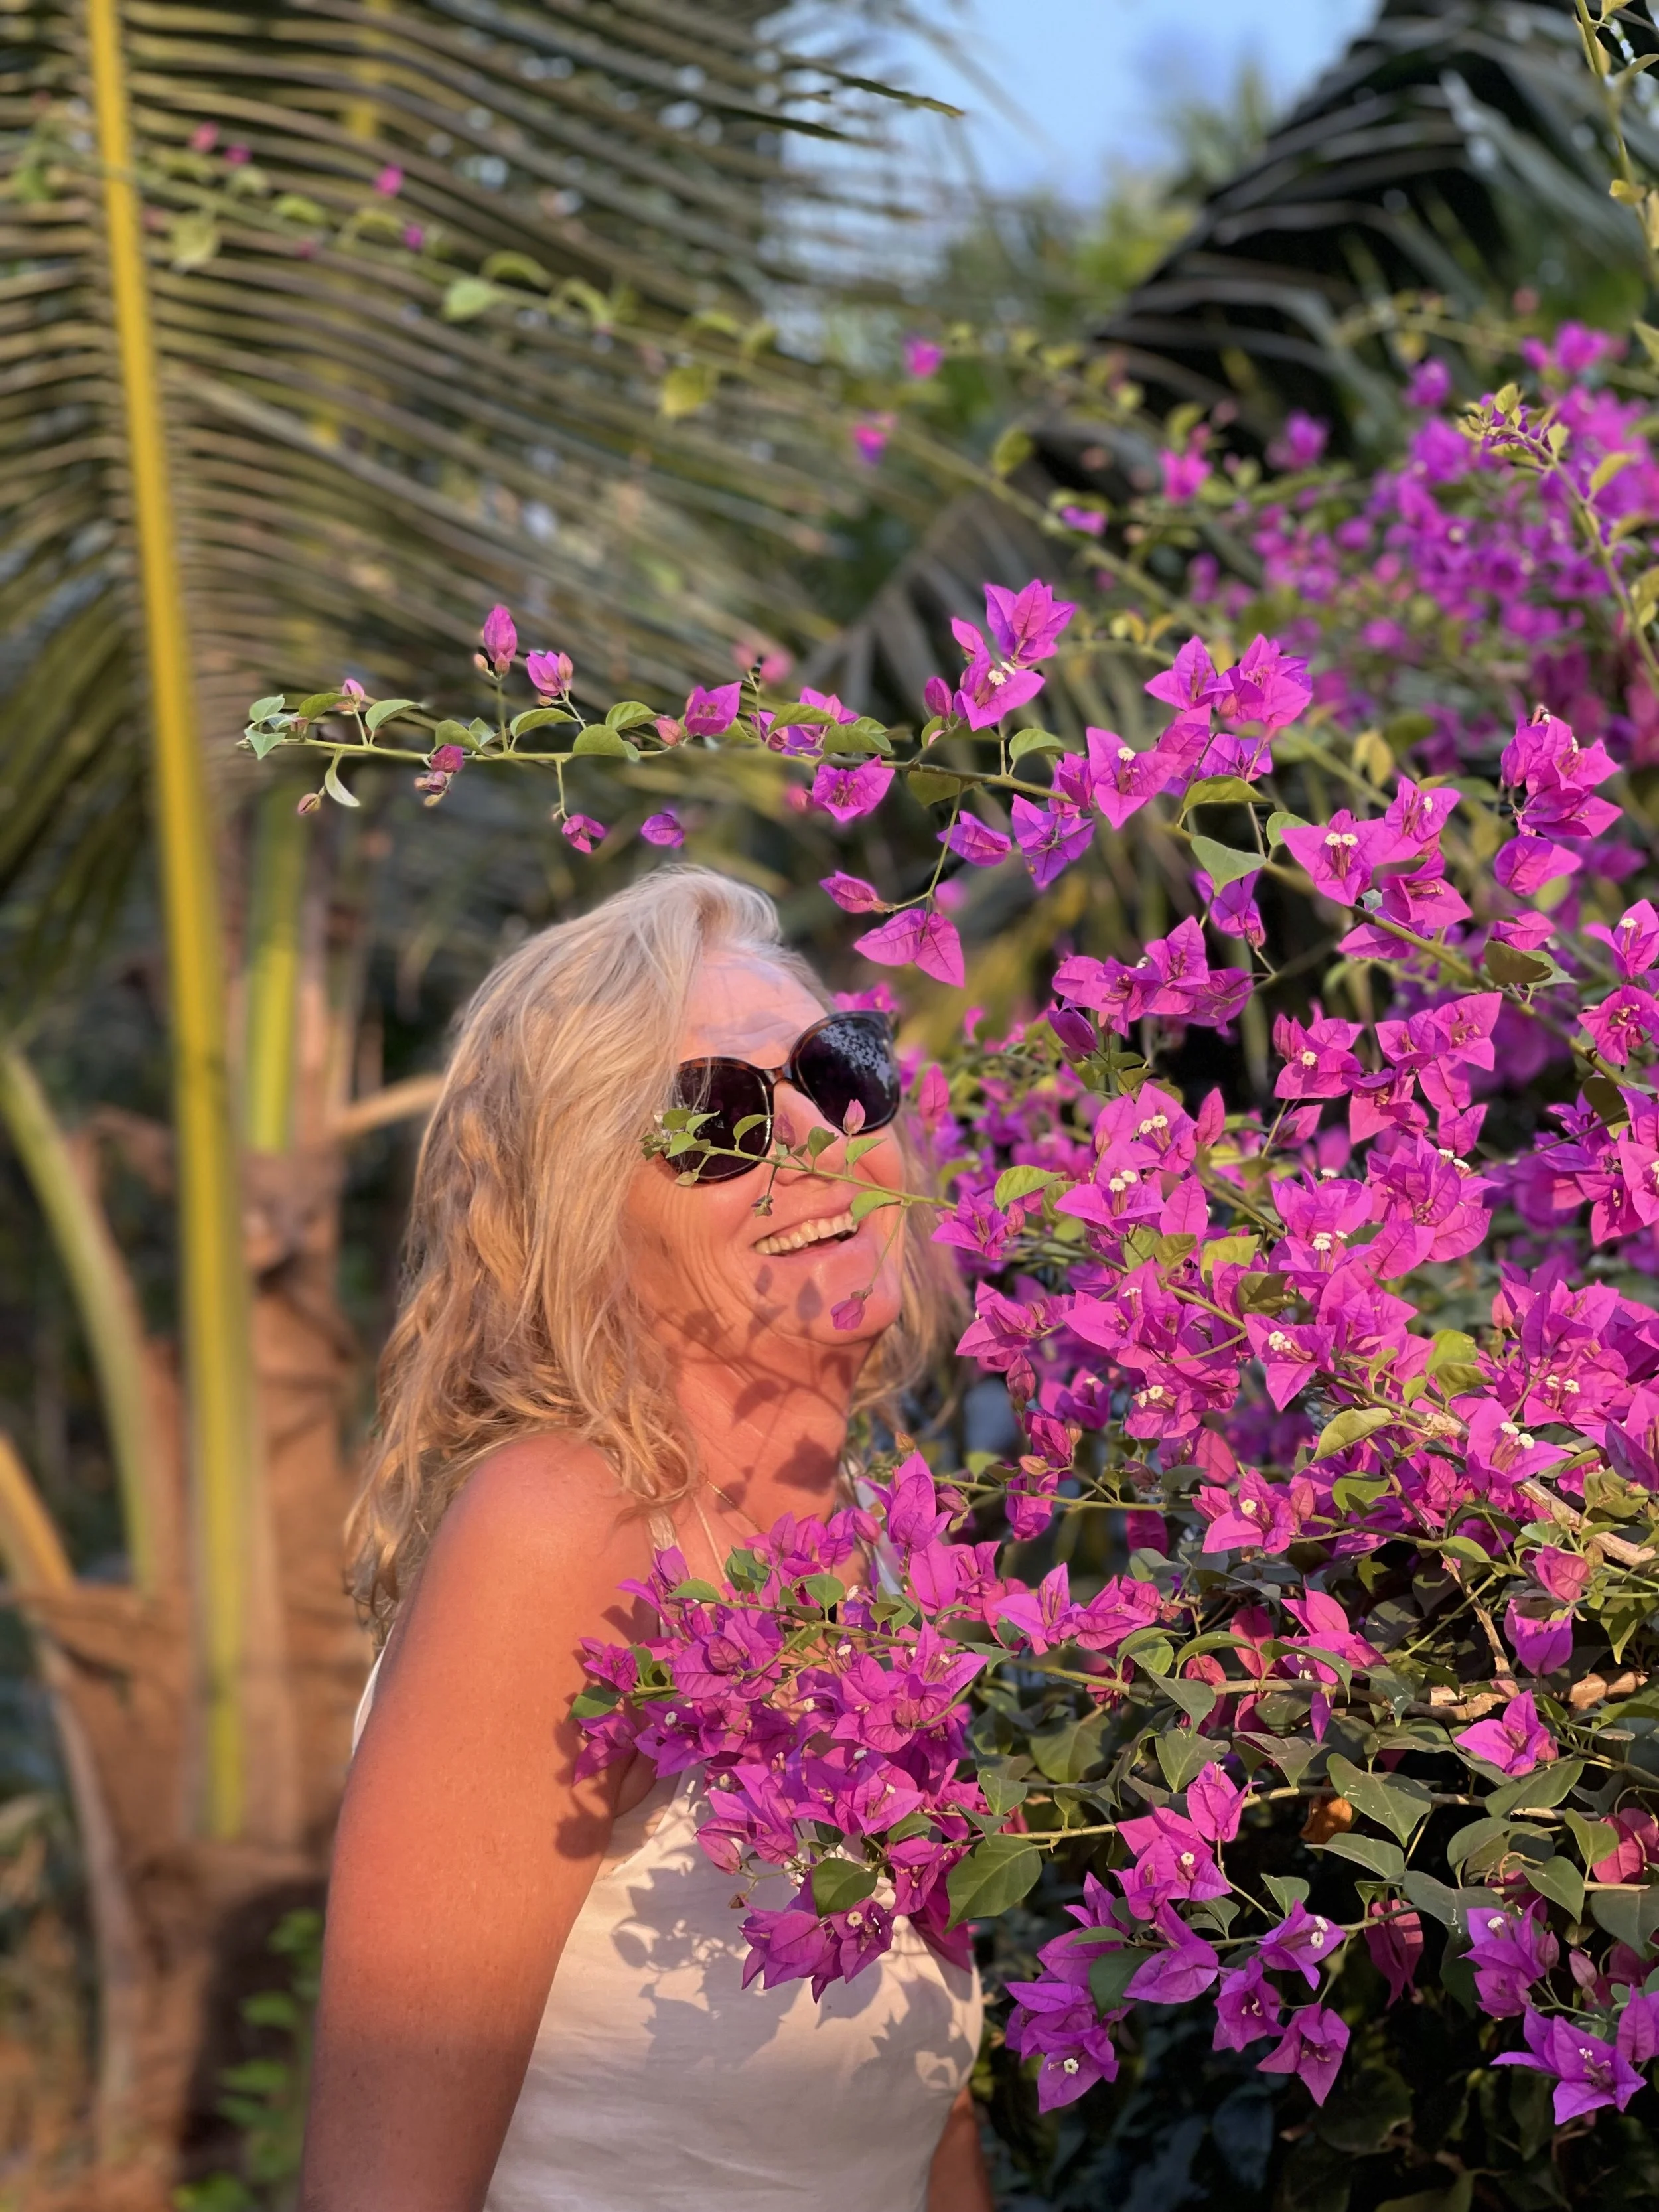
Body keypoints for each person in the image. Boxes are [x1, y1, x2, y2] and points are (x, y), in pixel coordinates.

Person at [300, 867, 992, 2212]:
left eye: (833, 1067)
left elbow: (913, 2107)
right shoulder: (563, 1530)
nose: (805, 1135)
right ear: (582, 1219)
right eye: (716, 1115)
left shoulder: (871, 1543)